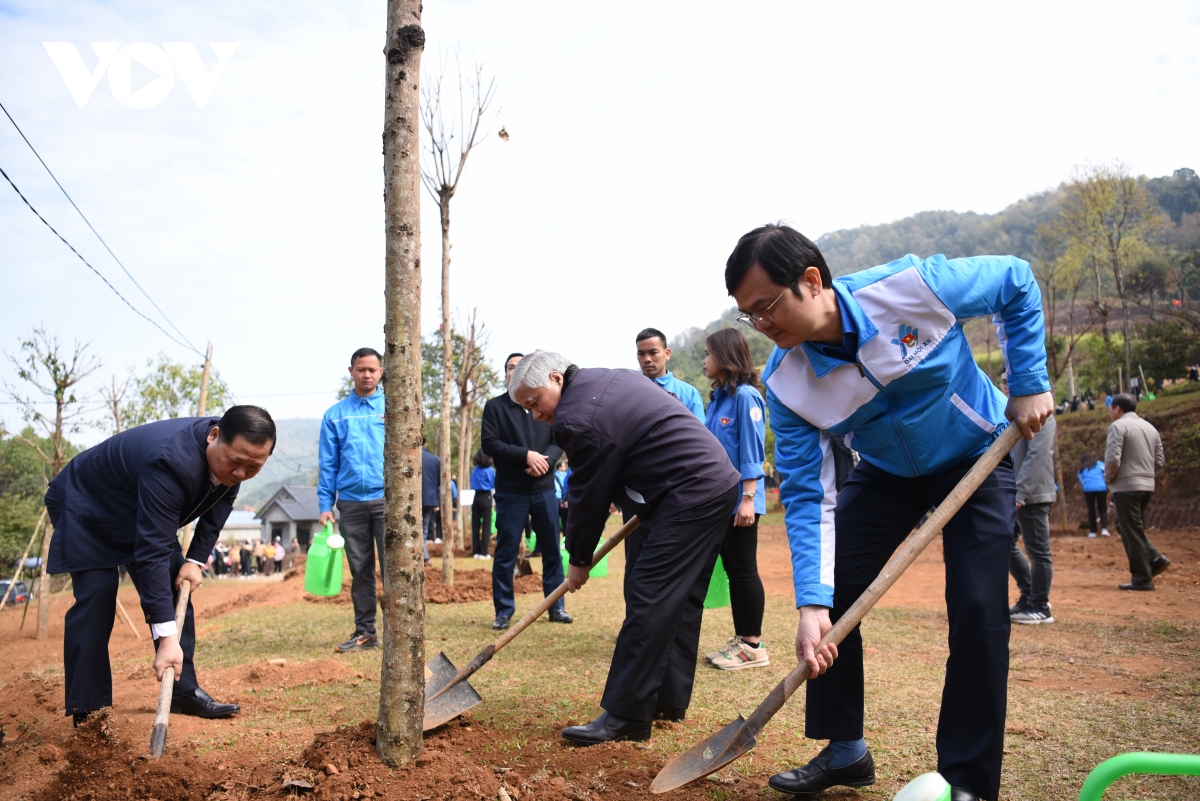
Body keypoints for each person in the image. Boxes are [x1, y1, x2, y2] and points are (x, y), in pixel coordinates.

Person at [725, 224, 1053, 801]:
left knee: (978, 608)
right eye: (749, 317)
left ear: (811, 281)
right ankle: (844, 749)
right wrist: (810, 602)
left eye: (766, 307)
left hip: (975, 454)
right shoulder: (787, 383)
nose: (762, 326)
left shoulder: (910, 287)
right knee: (836, 595)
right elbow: (808, 496)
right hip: (885, 473)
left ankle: (968, 781)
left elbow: (1016, 280)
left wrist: (1028, 382)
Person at [508, 351, 740, 744]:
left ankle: (626, 715)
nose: (534, 415)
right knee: (678, 601)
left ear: (555, 378)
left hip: (689, 492)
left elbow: (587, 494)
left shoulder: (576, 417)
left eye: (534, 402)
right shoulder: (604, 379)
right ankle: (664, 699)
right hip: (713, 484)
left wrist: (578, 557)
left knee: (648, 594)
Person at [45, 406, 275, 725]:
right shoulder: (170, 462)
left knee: (175, 583)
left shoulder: (233, 462)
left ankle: (182, 691)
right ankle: (88, 709)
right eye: (236, 462)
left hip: (138, 511)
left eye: (253, 467)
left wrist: (194, 560)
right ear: (214, 436)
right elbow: (151, 549)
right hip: (87, 504)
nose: (240, 474)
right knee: (97, 597)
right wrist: (167, 639)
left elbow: (220, 504)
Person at [481, 352, 570, 629]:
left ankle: (556, 607)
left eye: (520, 368)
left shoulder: (547, 402)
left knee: (552, 551)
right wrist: (526, 456)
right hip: (511, 491)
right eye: (510, 368)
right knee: (506, 552)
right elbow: (490, 444)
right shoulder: (495, 407)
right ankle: (503, 611)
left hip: (544, 489)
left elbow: (561, 436)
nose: (514, 372)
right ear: (505, 374)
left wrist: (545, 460)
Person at [699, 327, 770, 670]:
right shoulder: (718, 400)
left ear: (725, 356)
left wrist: (748, 498)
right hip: (720, 500)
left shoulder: (745, 397)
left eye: (708, 354)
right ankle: (742, 641)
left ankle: (752, 645)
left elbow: (752, 450)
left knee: (743, 570)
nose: (704, 360)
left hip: (741, 499)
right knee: (732, 569)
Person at [318, 347, 389, 653]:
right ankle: (366, 632)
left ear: (381, 372)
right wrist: (325, 504)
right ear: (351, 371)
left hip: (388, 501)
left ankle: (401, 630)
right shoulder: (335, 415)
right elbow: (327, 463)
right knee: (360, 569)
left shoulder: (392, 407)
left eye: (372, 369)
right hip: (349, 503)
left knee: (394, 567)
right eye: (361, 369)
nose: (367, 375)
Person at [1000, 373, 1058, 625]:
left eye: (1006, 381)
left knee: (1039, 551)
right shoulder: (1013, 414)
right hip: (1017, 492)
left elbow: (1038, 457)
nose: (1003, 385)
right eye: (1003, 381)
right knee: (1007, 543)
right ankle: (1028, 595)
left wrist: (1021, 494)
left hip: (1033, 493)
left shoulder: (1043, 414)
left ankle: (1040, 606)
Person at [1105, 394, 1169, 590]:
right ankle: (1154, 558)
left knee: (1130, 528)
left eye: (1110, 408)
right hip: (1147, 485)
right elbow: (1160, 460)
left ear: (1118, 409)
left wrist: (1108, 478)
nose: (1110, 412)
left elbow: (1113, 459)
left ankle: (1142, 578)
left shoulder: (1118, 426)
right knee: (1126, 525)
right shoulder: (1150, 427)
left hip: (1127, 486)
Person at [635, 328, 705, 421]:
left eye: (653, 352)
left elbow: (698, 432)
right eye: (641, 354)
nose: (647, 359)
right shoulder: (632, 393)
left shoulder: (689, 393)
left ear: (667, 353)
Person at [470, 449, 496, 559]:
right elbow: (493, 485)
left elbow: (471, 483)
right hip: (486, 497)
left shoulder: (474, 470)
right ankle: (484, 552)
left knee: (475, 525)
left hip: (476, 497)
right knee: (486, 525)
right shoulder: (490, 470)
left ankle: (475, 552)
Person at [1077, 454, 1110, 538]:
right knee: (1103, 509)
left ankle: (1093, 532)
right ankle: (1104, 529)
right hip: (1101, 488)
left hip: (1088, 489)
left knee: (1091, 510)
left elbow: (1082, 482)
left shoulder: (1081, 470)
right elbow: (1107, 472)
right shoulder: (1099, 464)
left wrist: (1086, 488)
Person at [421, 438, 442, 545]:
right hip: (430, 498)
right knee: (424, 527)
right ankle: (424, 555)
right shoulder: (435, 459)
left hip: (414, 498)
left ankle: (423, 555)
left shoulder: (408, 458)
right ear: (425, 444)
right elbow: (440, 481)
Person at [554, 460, 571, 535]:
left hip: (567, 497)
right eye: (563, 466)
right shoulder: (555, 475)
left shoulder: (569, 471)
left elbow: (567, 486)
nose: (565, 467)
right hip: (561, 497)